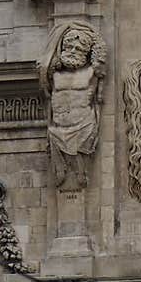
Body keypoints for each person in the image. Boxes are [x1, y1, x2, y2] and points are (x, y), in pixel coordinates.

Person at [39, 22, 106, 191]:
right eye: (69, 47)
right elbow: (45, 81)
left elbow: (101, 57)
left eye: (79, 48)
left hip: (83, 125)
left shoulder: (93, 73)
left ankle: (80, 170)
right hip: (58, 127)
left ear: (86, 52)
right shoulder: (53, 74)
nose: (73, 51)